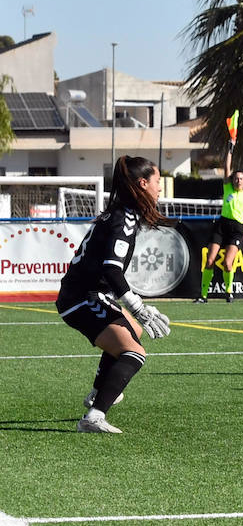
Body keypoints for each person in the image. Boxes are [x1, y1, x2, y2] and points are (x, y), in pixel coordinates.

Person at [56, 156, 173, 433]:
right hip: (81, 298)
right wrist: (139, 307)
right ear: (142, 183)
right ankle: (93, 417)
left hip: (87, 294)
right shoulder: (124, 219)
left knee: (135, 333)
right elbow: (112, 270)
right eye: (157, 182)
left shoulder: (121, 212)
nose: (159, 188)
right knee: (135, 353)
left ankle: (98, 393)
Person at [196, 141, 243, 303]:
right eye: (235, 178)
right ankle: (203, 295)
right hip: (222, 226)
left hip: (237, 230)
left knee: (228, 264)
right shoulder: (228, 189)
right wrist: (230, 149)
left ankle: (228, 292)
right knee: (209, 260)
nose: (238, 181)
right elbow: (227, 168)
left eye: (240, 179)